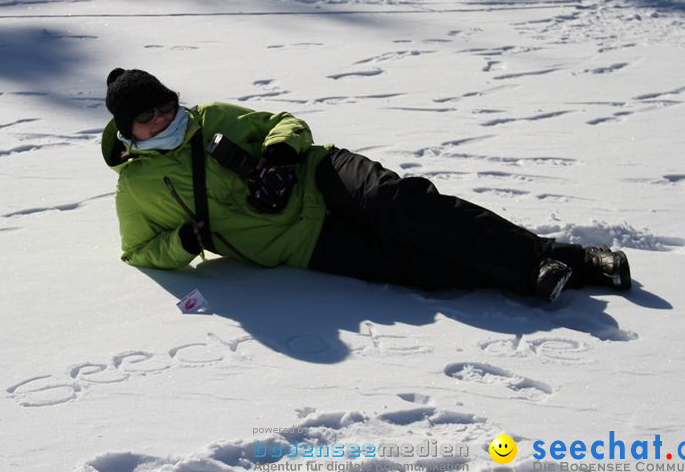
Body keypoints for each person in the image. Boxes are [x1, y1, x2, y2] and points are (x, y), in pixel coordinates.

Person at [101, 68, 631, 304]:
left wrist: (283, 152)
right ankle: (529, 278)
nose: (163, 117)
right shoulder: (136, 189)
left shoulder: (212, 116)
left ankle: (564, 260)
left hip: (321, 174)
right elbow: (138, 252)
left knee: (407, 207)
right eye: (148, 116)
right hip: (296, 243)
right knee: (411, 267)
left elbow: (287, 120)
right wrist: (185, 245)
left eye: (166, 104)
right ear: (128, 129)